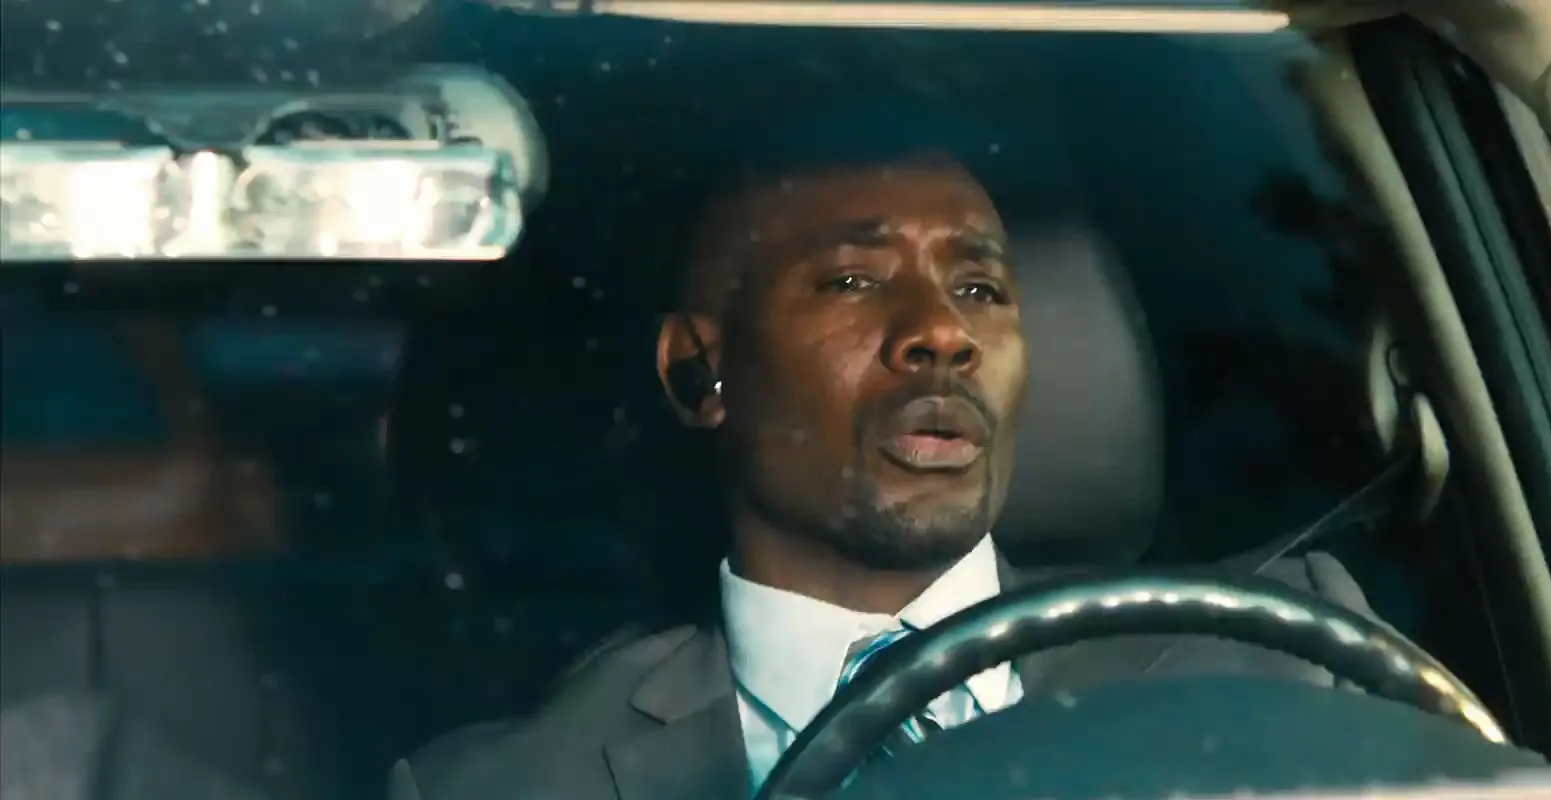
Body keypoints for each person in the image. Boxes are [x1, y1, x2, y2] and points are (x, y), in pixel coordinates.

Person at [387, 127, 1382, 800]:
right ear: (699, 373)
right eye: (853, 281)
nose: (942, 332)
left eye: (981, 288)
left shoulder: (1289, 655)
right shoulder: (511, 784)